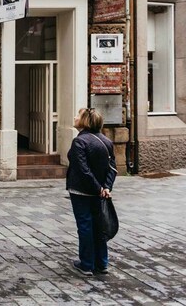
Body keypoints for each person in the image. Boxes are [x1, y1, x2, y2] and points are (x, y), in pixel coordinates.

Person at [66, 107, 117, 276]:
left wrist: (98, 188)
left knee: (85, 226)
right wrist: (106, 188)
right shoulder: (106, 141)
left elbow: (83, 170)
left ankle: (87, 263)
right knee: (99, 225)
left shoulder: (79, 142)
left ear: (85, 120)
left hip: (81, 191)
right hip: (99, 193)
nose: (74, 117)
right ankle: (102, 263)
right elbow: (112, 168)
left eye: (78, 115)